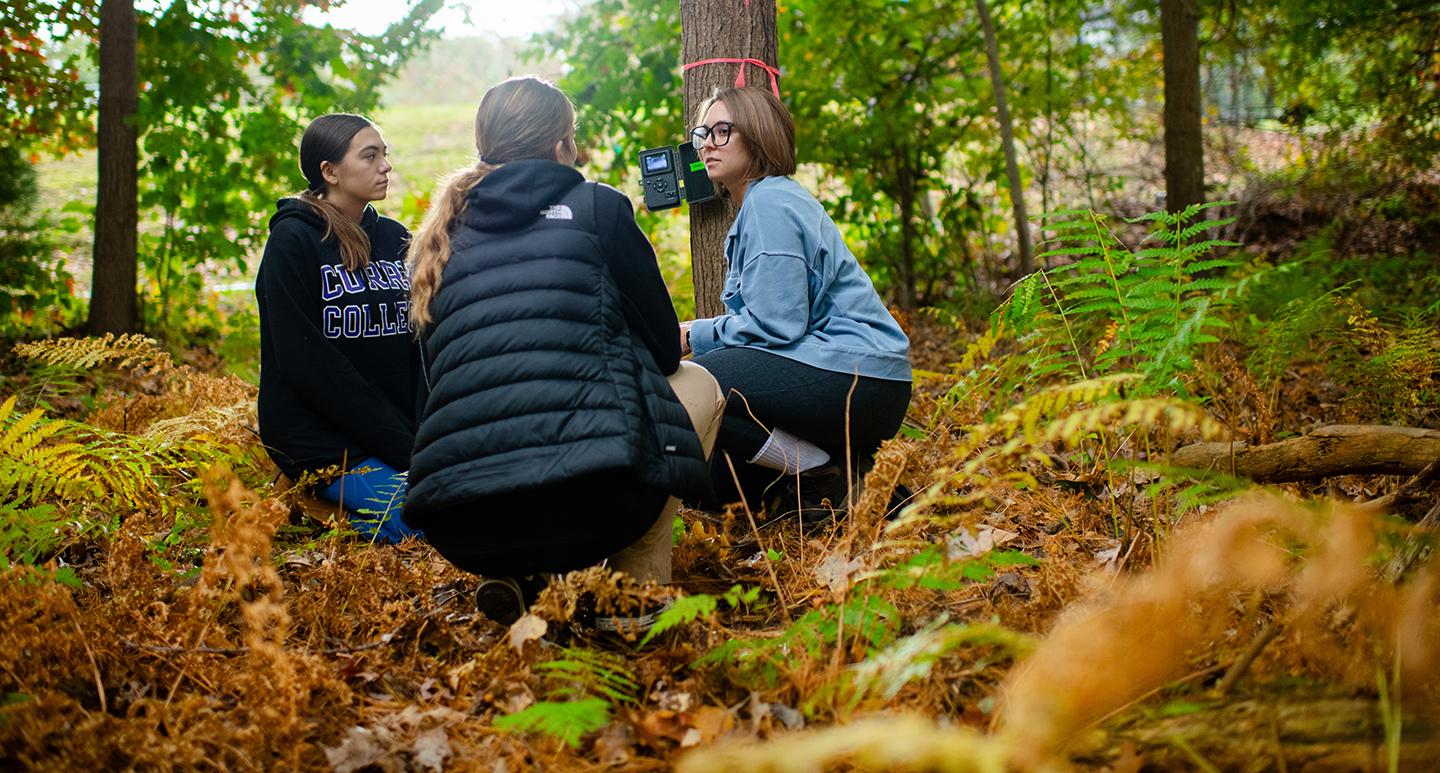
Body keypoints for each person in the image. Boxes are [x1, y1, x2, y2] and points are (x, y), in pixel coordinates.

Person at [401, 76, 723, 625]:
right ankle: (631, 595)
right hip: (597, 499)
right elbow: (665, 352)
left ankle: (529, 578)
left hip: (462, 516)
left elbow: (438, 381)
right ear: (560, 148)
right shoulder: (597, 207)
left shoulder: (439, 234)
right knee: (698, 385)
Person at [681, 87, 913, 519]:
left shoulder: (771, 202)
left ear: (759, 136)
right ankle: (850, 479)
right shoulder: (764, 203)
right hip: (855, 381)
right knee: (715, 496)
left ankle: (823, 473)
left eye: (723, 131)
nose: (707, 143)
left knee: (695, 381)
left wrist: (693, 333)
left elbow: (777, 325)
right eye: (703, 133)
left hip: (860, 379)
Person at [256, 113, 424, 544]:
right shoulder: (293, 242)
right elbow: (308, 363)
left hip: (400, 434)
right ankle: (323, 515)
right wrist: (404, 449)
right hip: (323, 439)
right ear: (329, 172)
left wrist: (428, 440)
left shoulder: (395, 238)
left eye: (384, 155)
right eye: (369, 156)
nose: (385, 166)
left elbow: (420, 348)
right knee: (427, 523)